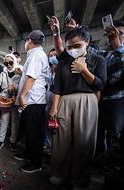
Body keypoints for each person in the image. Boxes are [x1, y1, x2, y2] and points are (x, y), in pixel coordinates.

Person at [48, 26, 107, 188]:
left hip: (88, 101)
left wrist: (84, 70)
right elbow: (57, 87)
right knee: (61, 141)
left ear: (87, 42)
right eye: (70, 47)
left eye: (77, 46)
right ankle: (60, 174)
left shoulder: (98, 60)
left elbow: (100, 84)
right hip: (64, 101)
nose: (73, 49)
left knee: (84, 142)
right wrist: (54, 107)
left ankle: (80, 180)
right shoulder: (63, 63)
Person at [14, 30, 49, 173]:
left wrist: (22, 96)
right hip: (33, 99)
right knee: (29, 131)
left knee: (34, 133)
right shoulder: (36, 54)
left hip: (34, 100)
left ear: (29, 40)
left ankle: (36, 163)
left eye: (26, 41)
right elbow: (31, 75)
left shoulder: (36, 55)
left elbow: (32, 79)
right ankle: (29, 154)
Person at [96, 20, 124, 157]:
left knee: (115, 134)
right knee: (99, 133)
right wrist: (77, 30)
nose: (116, 36)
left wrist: (117, 45)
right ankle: (100, 163)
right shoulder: (105, 55)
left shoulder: (121, 53)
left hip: (119, 100)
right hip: (102, 100)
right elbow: (88, 50)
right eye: (113, 33)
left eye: (120, 33)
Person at [0, 53, 21, 151]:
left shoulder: (20, 73)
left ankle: (12, 142)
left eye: (10, 62)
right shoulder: (3, 74)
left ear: (15, 61)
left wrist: (14, 88)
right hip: (5, 102)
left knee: (15, 123)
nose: (8, 64)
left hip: (16, 101)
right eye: (6, 63)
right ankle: (0, 141)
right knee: (3, 121)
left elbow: (22, 86)